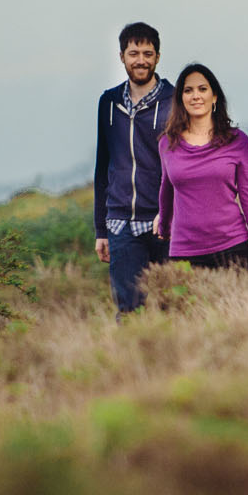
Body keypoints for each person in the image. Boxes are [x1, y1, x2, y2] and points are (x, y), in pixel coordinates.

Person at [155, 63, 248, 278]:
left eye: (202, 89)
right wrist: (163, 224)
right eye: (188, 90)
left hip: (233, 247)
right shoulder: (167, 143)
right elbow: (167, 187)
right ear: (180, 98)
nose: (195, 96)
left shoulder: (237, 141)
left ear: (214, 96)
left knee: (233, 311)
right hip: (184, 252)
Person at [93, 21, 173, 313]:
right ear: (122, 57)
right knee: (129, 310)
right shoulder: (109, 102)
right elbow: (103, 167)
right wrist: (101, 229)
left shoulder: (175, 102)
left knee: (173, 305)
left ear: (158, 57)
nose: (141, 60)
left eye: (148, 54)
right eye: (134, 53)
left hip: (167, 224)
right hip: (122, 225)